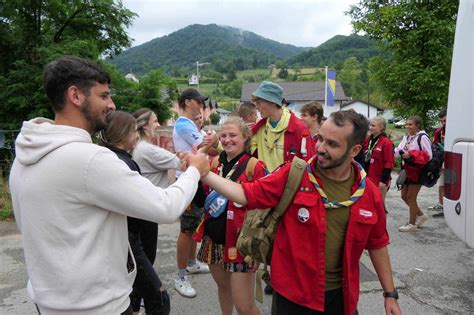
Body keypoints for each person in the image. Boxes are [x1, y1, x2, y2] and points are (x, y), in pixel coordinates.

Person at [8, 56, 209, 314]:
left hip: (48, 303)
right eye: (103, 96)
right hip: (98, 306)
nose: (111, 104)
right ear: (76, 96)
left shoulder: (25, 156)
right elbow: (166, 207)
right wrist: (195, 169)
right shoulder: (90, 160)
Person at [201, 110, 401, 315]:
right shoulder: (294, 175)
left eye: (332, 144)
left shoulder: (368, 193)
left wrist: (390, 294)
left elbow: (377, 244)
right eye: (320, 139)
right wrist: (204, 173)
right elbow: (246, 194)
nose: (321, 148)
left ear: (354, 150)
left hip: (341, 299)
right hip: (292, 298)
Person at [195, 117, 266, 315]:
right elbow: (203, 199)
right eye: (224, 135)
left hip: (241, 243)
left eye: (233, 135)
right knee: (224, 289)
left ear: (245, 138)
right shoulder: (215, 162)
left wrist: (257, 251)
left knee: (245, 306)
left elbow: (264, 211)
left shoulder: (255, 167)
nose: (227, 140)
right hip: (213, 239)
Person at [130, 108, 184, 314]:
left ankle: (134, 307)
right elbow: (182, 162)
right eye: (154, 121)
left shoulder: (138, 148)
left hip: (138, 212)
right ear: (144, 125)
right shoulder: (146, 149)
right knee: (144, 266)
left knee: (138, 266)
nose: (158, 125)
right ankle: (137, 306)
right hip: (147, 214)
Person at [172, 88, 218, 298]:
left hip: (196, 179)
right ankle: (180, 277)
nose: (201, 105)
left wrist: (211, 143)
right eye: (198, 101)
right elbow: (206, 147)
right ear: (188, 101)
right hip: (187, 180)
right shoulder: (183, 124)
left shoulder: (189, 125)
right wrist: (213, 139)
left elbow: (211, 149)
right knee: (186, 229)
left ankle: (191, 263)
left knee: (194, 226)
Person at [250, 81, 315, 173]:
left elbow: (310, 165)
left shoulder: (299, 129)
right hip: (263, 184)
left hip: (288, 186)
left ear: (272, 102)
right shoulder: (258, 128)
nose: (256, 107)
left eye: (259, 103)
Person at [395, 116, 432, 232]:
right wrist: (400, 152)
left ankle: (412, 224)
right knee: (403, 196)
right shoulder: (407, 136)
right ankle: (421, 215)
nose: (407, 126)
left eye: (410, 124)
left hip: (418, 170)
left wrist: (411, 154)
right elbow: (398, 150)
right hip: (407, 169)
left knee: (411, 197)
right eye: (407, 124)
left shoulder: (422, 137)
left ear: (418, 126)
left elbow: (429, 155)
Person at [362, 116, 395, 201]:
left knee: (378, 206)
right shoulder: (368, 140)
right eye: (370, 125)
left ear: (381, 127)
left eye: (373, 126)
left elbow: (389, 163)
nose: (370, 128)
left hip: (378, 180)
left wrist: (383, 181)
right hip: (367, 178)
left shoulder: (386, 143)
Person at [429, 109, 447, 217]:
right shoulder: (439, 131)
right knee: (442, 185)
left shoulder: (455, 130)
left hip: (452, 162)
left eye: (445, 120)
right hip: (442, 161)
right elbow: (434, 145)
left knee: (447, 185)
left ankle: (446, 209)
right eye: (441, 121)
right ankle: (441, 204)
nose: (443, 123)